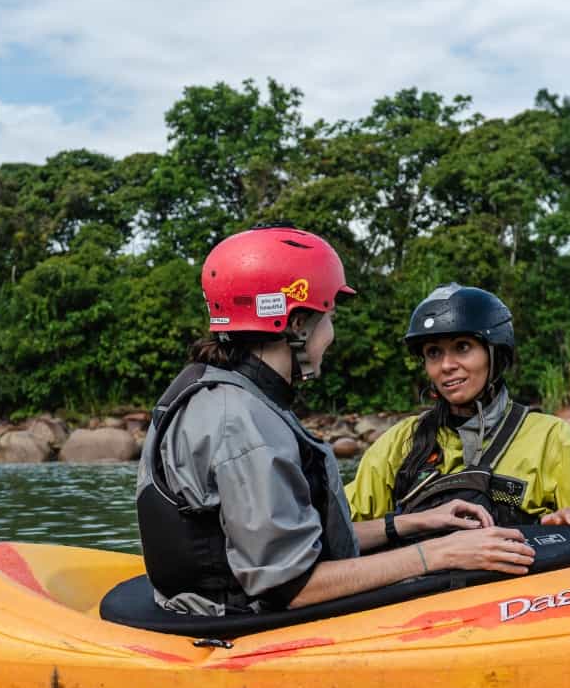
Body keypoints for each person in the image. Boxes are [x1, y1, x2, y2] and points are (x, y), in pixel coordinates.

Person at [138, 227, 536, 617]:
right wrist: (439, 552)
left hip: (225, 597)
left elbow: (286, 542)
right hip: (236, 619)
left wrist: (412, 523)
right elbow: (292, 586)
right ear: (296, 325)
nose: (330, 334)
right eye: (328, 317)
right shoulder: (242, 423)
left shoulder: (221, 390)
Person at [345, 284, 570, 534]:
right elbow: (338, 523)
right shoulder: (400, 442)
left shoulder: (552, 438)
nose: (446, 365)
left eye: (462, 347)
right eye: (434, 353)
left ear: (495, 355)